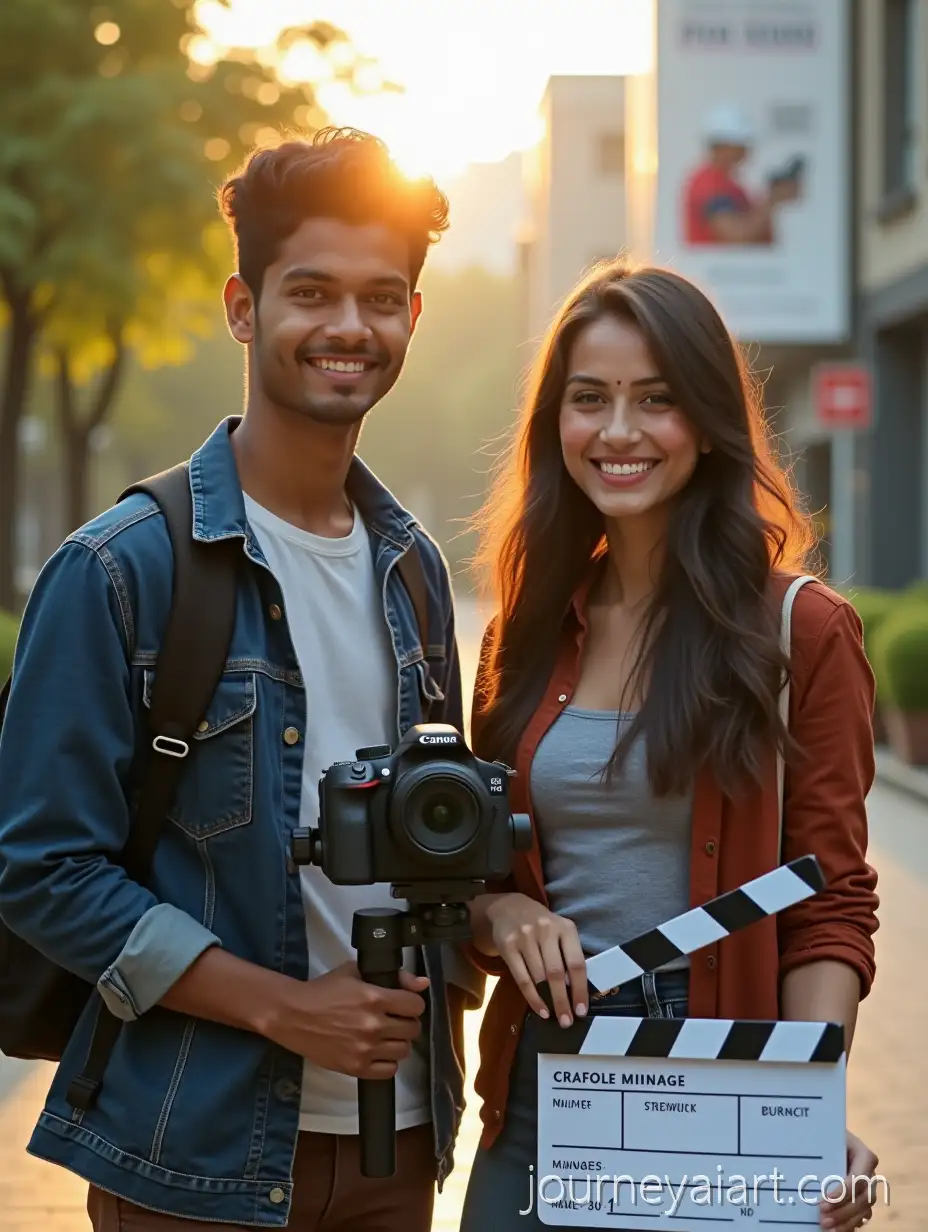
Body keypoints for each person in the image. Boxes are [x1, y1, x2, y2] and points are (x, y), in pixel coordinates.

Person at [0, 127, 484, 1230]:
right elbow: (37, 868)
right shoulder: (120, 568)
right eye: (310, 291)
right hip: (192, 1151)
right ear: (242, 305)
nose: (349, 327)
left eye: (382, 296)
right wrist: (286, 1010)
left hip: (397, 1141)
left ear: (414, 314)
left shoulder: (413, 568)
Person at [458, 261, 880, 1232]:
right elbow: (472, 880)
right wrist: (502, 906)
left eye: (656, 399)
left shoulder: (801, 630)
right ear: (552, 422)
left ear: (707, 417)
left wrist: (805, 1102)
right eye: (588, 399)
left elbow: (829, 903)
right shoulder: (520, 634)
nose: (617, 431)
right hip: (541, 1090)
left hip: (718, 1085)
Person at [682, 103, 802, 246]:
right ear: (724, 145)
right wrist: (772, 200)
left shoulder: (728, 185)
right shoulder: (710, 185)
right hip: (722, 267)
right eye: (741, 145)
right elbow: (735, 236)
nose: (746, 151)